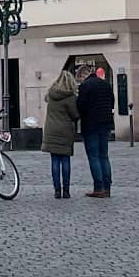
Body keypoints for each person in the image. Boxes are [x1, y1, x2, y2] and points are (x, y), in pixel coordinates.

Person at [76, 65, 115, 198]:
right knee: (104, 155)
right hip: (106, 123)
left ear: (82, 76)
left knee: (94, 156)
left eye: (80, 79)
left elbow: (81, 105)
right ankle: (107, 187)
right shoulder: (105, 85)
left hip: (91, 125)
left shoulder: (85, 86)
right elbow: (112, 102)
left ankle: (98, 187)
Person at [43, 68, 81, 199]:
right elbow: (75, 115)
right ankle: (66, 190)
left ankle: (57, 190)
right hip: (65, 130)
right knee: (65, 160)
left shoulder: (51, 94)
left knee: (54, 160)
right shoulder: (70, 97)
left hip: (51, 129)